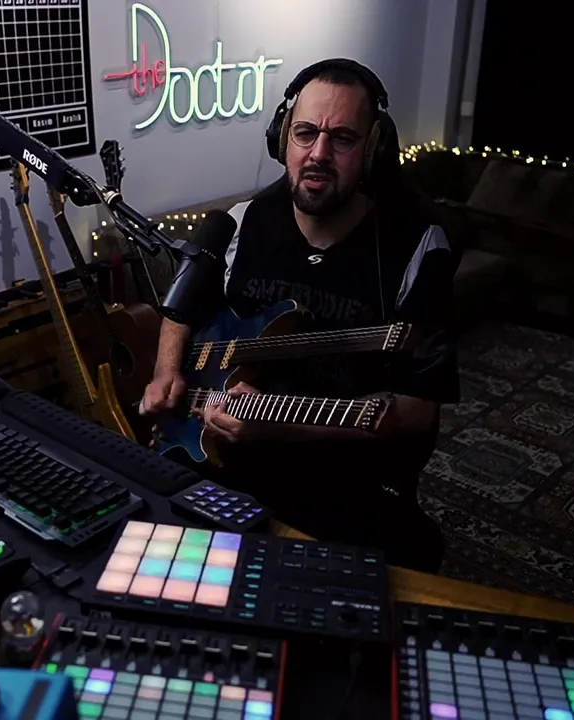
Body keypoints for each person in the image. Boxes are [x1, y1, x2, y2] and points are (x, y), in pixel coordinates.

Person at [140, 59, 459, 573]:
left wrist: (278, 429)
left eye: (343, 139)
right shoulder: (244, 222)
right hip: (225, 459)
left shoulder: (420, 245)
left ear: (374, 150)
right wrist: (166, 373)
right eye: (305, 133)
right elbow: (182, 309)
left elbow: (419, 410)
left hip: (343, 481)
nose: (319, 155)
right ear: (282, 137)